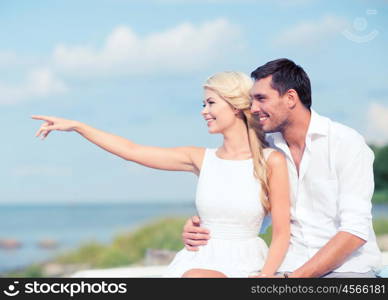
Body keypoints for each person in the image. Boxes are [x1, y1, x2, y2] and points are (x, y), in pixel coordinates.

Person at [32, 71, 290, 278]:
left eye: (211, 103)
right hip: (197, 259)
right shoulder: (200, 158)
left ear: (235, 107)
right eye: (203, 103)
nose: (203, 111)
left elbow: (281, 232)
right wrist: (79, 127)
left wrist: (266, 277)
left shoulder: (271, 160)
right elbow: (132, 151)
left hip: (246, 266)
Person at [182, 59, 382, 278]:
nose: (253, 108)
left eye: (261, 99)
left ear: (290, 98)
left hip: (347, 269)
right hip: (287, 267)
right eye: (252, 100)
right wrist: (202, 228)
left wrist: (291, 280)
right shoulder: (265, 149)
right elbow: (252, 212)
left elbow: (354, 232)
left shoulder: (345, 143)